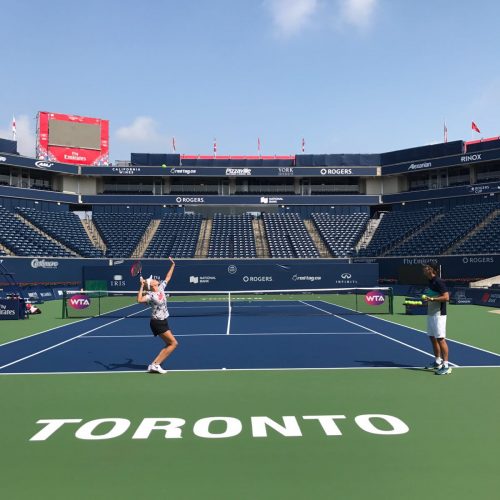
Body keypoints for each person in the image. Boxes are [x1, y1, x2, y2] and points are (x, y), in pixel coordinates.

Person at [137, 257, 178, 374]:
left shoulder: (161, 288)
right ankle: (155, 364)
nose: (155, 279)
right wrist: (141, 286)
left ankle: (154, 365)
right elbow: (139, 300)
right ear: (152, 284)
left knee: (169, 344)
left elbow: (168, 278)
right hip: (157, 323)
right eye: (153, 279)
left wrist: (173, 265)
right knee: (174, 343)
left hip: (163, 321)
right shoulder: (151, 295)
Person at [422, 264, 452, 375]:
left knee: (440, 339)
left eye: (425, 269)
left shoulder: (439, 281)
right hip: (431, 313)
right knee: (432, 337)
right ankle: (437, 361)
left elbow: (446, 297)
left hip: (439, 314)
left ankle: (446, 365)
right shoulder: (430, 282)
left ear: (430, 270)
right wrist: (429, 300)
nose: (423, 271)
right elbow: (432, 297)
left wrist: (433, 299)